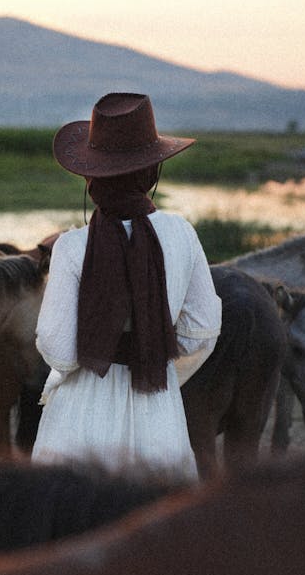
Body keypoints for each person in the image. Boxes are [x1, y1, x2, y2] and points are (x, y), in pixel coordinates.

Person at [31, 92, 222, 479]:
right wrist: (154, 354)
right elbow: (202, 328)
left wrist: (99, 350)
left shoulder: (70, 247)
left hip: (80, 421)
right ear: (151, 173)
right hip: (159, 414)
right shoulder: (182, 235)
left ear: (92, 178)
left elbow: (59, 350)